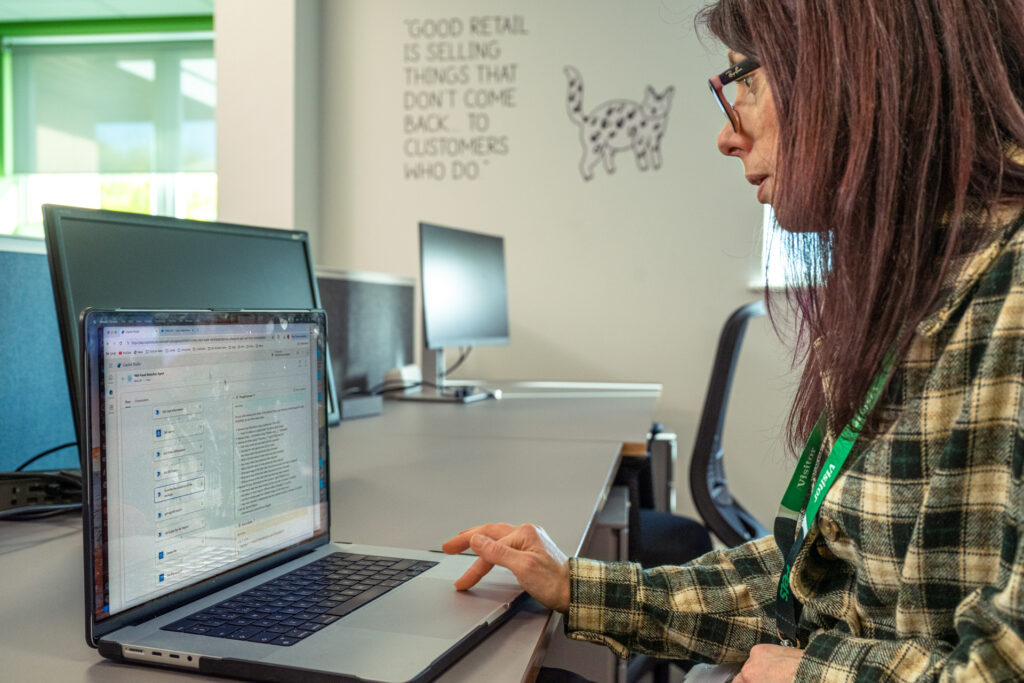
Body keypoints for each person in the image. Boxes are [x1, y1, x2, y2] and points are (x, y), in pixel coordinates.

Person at [443, 0, 1024, 680]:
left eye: (743, 80)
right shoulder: (917, 286)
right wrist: (575, 583)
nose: (726, 135)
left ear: (849, 67)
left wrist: (810, 675)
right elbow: (811, 584)